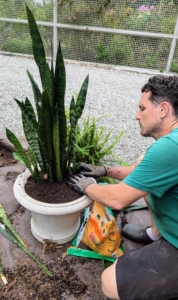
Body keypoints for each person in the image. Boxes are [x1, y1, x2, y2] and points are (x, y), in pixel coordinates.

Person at [67, 75, 178, 300]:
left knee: (109, 283)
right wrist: (105, 170)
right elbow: (146, 171)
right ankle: (157, 234)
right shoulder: (172, 142)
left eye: (142, 108)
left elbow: (118, 199)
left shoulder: (170, 147)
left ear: (163, 109)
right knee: (140, 161)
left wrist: (87, 186)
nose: (137, 115)